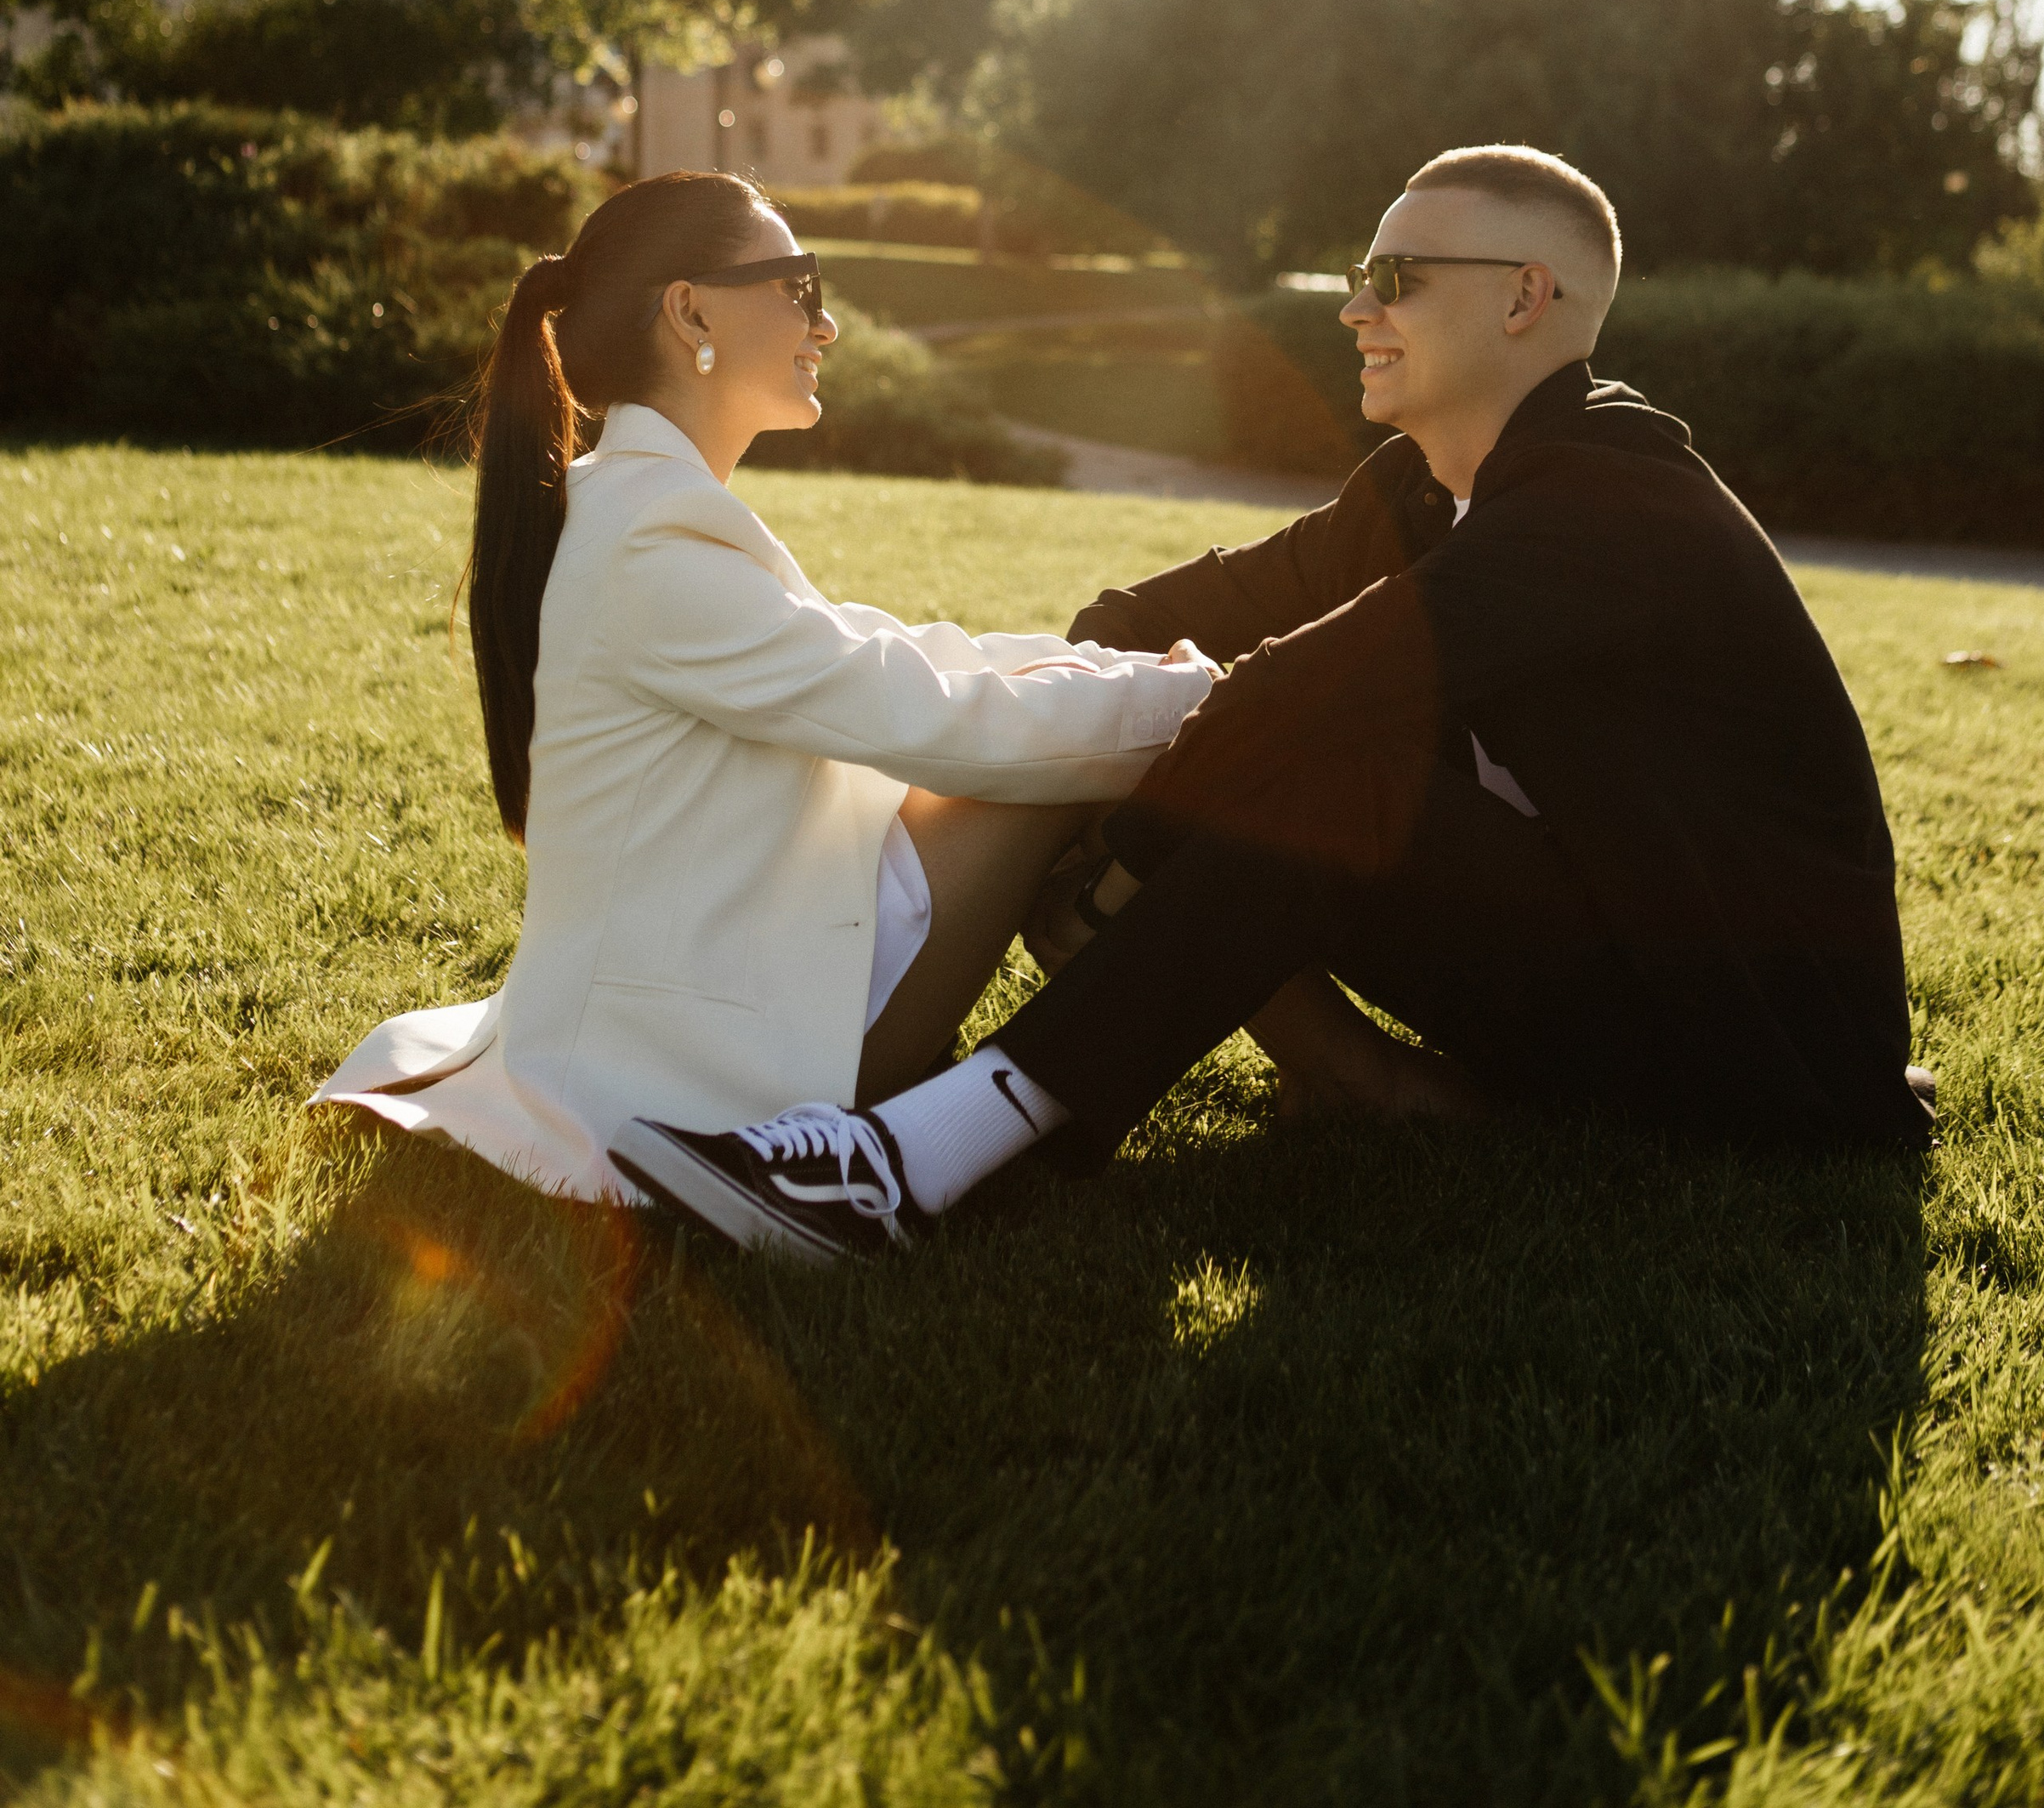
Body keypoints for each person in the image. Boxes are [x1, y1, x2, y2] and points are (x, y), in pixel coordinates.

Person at [610, 144, 1934, 1265]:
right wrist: (1088, 700)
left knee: (1329, 758)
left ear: (1525, 297)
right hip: (1604, 964)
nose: (1356, 307)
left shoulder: (1610, 500)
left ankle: (906, 1166)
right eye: (1362, 274)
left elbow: (1311, 689)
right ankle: (1333, 1086)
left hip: (1748, 1058)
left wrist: (1126, 855)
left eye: (1397, 278)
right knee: (1244, 736)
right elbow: (1169, 612)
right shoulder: (1422, 489)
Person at [312, 171, 1212, 1197]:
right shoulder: (653, 538)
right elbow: (934, 717)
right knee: (1049, 758)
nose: (825, 324)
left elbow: (888, 650)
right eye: (797, 286)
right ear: (690, 311)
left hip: (731, 974)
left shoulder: (631, 501)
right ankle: (1289, 1062)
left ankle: (1260, 1028)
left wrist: (1124, 676)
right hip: (719, 1067)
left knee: (1075, 721)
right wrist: (1195, 705)